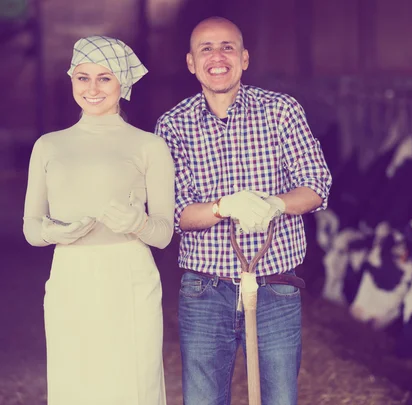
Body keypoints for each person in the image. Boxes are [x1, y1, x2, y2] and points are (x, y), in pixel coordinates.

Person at [155, 16, 332, 405]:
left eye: (227, 47)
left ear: (245, 58)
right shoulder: (172, 126)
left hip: (275, 286)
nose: (217, 57)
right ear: (190, 62)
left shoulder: (281, 111)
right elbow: (173, 213)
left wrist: (276, 204)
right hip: (204, 289)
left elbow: (317, 185)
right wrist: (222, 208)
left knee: (279, 399)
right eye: (206, 49)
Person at [22, 35, 175, 405]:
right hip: (70, 276)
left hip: (129, 277)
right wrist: (54, 231)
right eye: (83, 77)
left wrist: (135, 223)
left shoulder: (149, 146)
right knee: (76, 383)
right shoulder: (48, 145)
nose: (92, 88)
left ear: (123, 83)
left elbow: (164, 234)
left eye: (105, 78)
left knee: (132, 385)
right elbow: (30, 227)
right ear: (71, 79)